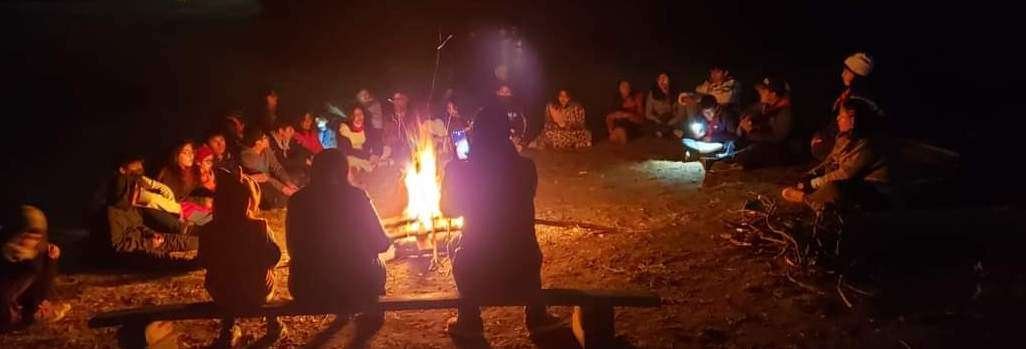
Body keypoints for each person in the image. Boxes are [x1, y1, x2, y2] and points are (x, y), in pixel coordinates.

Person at [441, 102, 563, 339]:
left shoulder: (461, 170)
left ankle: (469, 319)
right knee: (521, 239)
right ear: (507, 133)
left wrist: (452, 173)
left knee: (454, 243)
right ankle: (537, 315)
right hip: (522, 268)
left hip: (480, 271)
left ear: (475, 134)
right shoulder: (526, 167)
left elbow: (447, 210)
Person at [286, 149, 390, 336]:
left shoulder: (297, 201)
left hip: (307, 288)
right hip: (358, 285)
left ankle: (344, 311)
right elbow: (382, 243)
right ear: (345, 170)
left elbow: (294, 250)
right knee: (378, 264)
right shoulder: (357, 197)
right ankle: (372, 312)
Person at [199, 170, 284, 346]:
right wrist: (265, 267)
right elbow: (275, 256)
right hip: (256, 292)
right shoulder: (259, 227)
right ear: (249, 202)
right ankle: (274, 324)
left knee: (233, 285)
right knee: (271, 277)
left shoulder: (208, 229)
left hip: (221, 293)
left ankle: (229, 327)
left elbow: (203, 260)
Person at [782, 97, 894, 212]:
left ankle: (807, 200)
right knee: (828, 182)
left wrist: (813, 183)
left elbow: (846, 173)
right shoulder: (844, 137)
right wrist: (811, 175)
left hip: (876, 190)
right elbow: (831, 160)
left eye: (842, 116)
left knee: (835, 187)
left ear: (853, 119)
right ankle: (817, 199)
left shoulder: (868, 144)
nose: (838, 118)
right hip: (856, 183)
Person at [97, 155, 199, 266]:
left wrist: (152, 234)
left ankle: (207, 243)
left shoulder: (131, 206)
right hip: (138, 252)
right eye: (135, 189)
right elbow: (118, 246)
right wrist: (148, 243)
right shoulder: (111, 212)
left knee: (189, 243)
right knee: (169, 260)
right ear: (125, 191)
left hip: (147, 242)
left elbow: (139, 225)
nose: (139, 191)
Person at [1, 205, 70, 331]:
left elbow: (44, 283)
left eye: (36, 238)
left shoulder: (37, 255)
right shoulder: (6, 254)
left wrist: (51, 261)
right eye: (28, 235)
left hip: (22, 305)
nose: (31, 241)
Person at [811, 52, 881, 160]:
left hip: (850, 146)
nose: (842, 74)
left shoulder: (859, 103)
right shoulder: (848, 95)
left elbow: (849, 132)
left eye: (847, 72)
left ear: (857, 75)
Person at [733, 77, 795, 169]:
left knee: (750, 152)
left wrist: (752, 133)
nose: (760, 92)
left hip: (781, 149)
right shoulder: (766, 106)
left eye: (763, 90)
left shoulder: (785, 111)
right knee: (737, 143)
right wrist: (747, 118)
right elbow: (749, 110)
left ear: (773, 94)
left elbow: (778, 138)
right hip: (764, 141)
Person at [240, 128, 298, 209]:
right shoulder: (247, 157)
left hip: (270, 182)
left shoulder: (266, 150)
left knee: (295, 180)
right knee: (281, 197)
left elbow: (277, 167)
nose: (267, 138)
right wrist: (283, 188)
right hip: (259, 187)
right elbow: (264, 177)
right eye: (264, 138)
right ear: (258, 143)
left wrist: (288, 182)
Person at [157, 141, 212, 226]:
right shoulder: (168, 173)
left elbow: (198, 198)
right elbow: (168, 201)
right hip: (175, 214)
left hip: (194, 213)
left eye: (191, 152)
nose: (190, 156)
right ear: (177, 155)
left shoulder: (195, 173)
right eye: (186, 152)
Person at [682, 95, 738, 161]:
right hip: (704, 144)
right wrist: (698, 134)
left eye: (709, 112)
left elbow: (733, 136)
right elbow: (698, 131)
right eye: (704, 112)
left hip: (720, 146)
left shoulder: (726, 116)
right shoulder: (701, 116)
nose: (707, 115)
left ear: (716, 108)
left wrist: (712, 138)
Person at [339, 105, 388, 173]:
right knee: (349, 160)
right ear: (351, 116)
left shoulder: (367, 126)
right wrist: (368, 156)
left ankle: (372, 164)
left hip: (367, 153)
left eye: (361, 114)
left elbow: (376, 140)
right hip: (354, 155)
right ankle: (378, 164)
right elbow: (347, 150)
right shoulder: (344, 128)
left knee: (387, 149)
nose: (359, 117)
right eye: (356, 114)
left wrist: (376, 154)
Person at [268, 119, 311, 186]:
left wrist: (310, 157)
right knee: (298, 177)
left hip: (289, 169)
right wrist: (303, 161)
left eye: (293, 130)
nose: (293, 132)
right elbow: (282, 163)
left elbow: (302, 151)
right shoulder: (271, 143)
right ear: (281, 131)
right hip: (277, 174)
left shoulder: (286, 140)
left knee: (309, 170)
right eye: (290, 130)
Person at [645, 72, 686, 138]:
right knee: (650, 126)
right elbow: (648, 113)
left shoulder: (677, 92)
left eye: (665, 78)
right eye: (660, 79)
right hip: (659, 119)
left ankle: (665, 132)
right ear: (657, 81)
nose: (662, 81)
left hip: (673, 119)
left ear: (669, 80)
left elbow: (681, 113)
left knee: (680, 128)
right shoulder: (652, 94)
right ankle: (667, 132)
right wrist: (657, 120)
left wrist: (670, 122)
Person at [605, 80, 645, 144]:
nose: (625, 89)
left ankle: (621, 135)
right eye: (623, 87)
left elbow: (641, 120)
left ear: (630, 88)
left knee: (622, 132)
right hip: (620, 125)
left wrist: (627, 115)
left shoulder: (637, 98)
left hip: (632, 125)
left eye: (627, 86)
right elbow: (609, 117)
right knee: (615, 131)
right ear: (619, 89)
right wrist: (611, 130)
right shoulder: (617, 100)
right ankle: (615, 134)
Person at [495, 84, 531, 149]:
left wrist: (518, 137)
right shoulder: (491, 108)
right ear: (497, 93)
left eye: (507, 92)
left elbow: (522, 125)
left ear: (511, 94)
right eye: (502, 92)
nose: (504, 94)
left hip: (512, 138)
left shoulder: (516, 108)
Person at [356, 89, 386, 154]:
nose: (365, 96)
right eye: (363, 95)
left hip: (376, 128)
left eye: (366, 94)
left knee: (375, 146)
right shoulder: (364, 105)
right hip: (369, 129)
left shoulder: (373, 103)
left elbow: (366, 109)